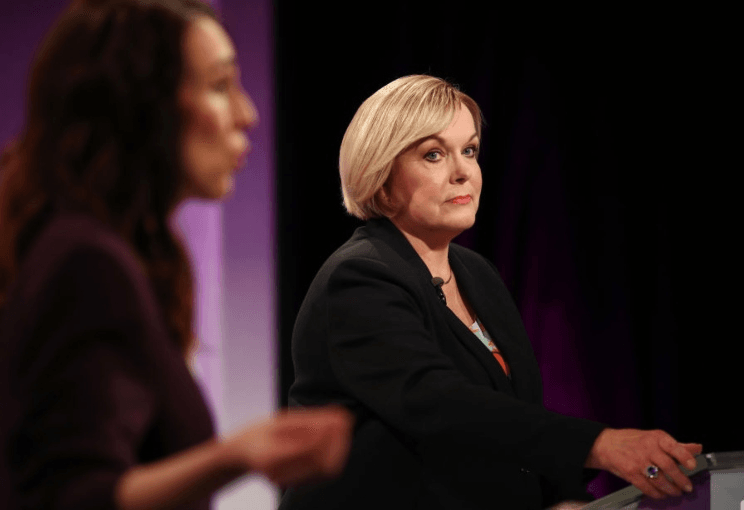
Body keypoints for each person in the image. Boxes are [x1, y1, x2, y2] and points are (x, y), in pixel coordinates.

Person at [0, 1, 352, 509]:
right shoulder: (86, 265)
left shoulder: (74, 252)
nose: (247, 114)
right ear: (143, 107)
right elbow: (71, 496)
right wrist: (237, 456)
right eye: (220, 86)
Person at [278, 75, 701, 510]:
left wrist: (565, 499)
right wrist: (600, 444)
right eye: (434, 154)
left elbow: (513, 414)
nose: (463, 172)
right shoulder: (360, 277)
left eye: (470, 150)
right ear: (381, 178)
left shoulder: (477, 274)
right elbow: (439, 405)